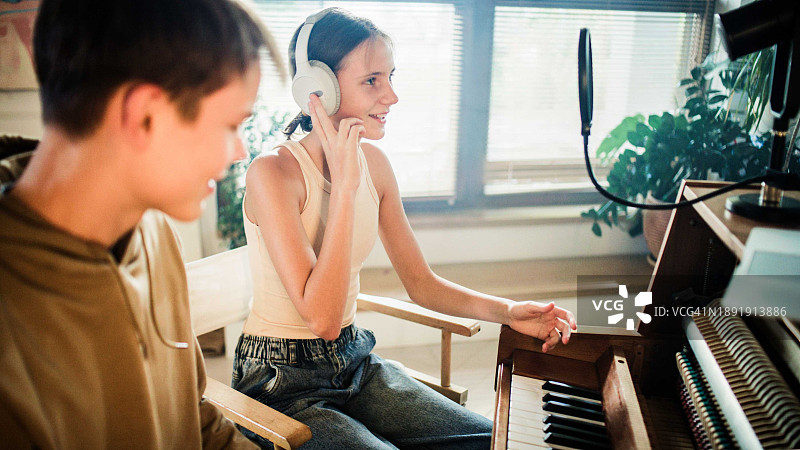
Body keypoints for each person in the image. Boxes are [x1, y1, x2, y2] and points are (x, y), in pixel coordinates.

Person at [233, 7, 578, 449]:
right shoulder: (272, 174)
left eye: (391, 77)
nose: (391, 96)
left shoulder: (374, 165)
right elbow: (322, 319)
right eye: (372, 80)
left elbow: (421, 283)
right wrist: (343, 188)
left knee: (493, 440)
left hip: (354, 363)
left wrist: (508, 313)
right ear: (318, 88)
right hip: (279, 384)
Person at [0, 0, 282, 447]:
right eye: (231, 124)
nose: (239, 152)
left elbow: (196, 418)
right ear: (145, 114)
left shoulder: (156, 233)